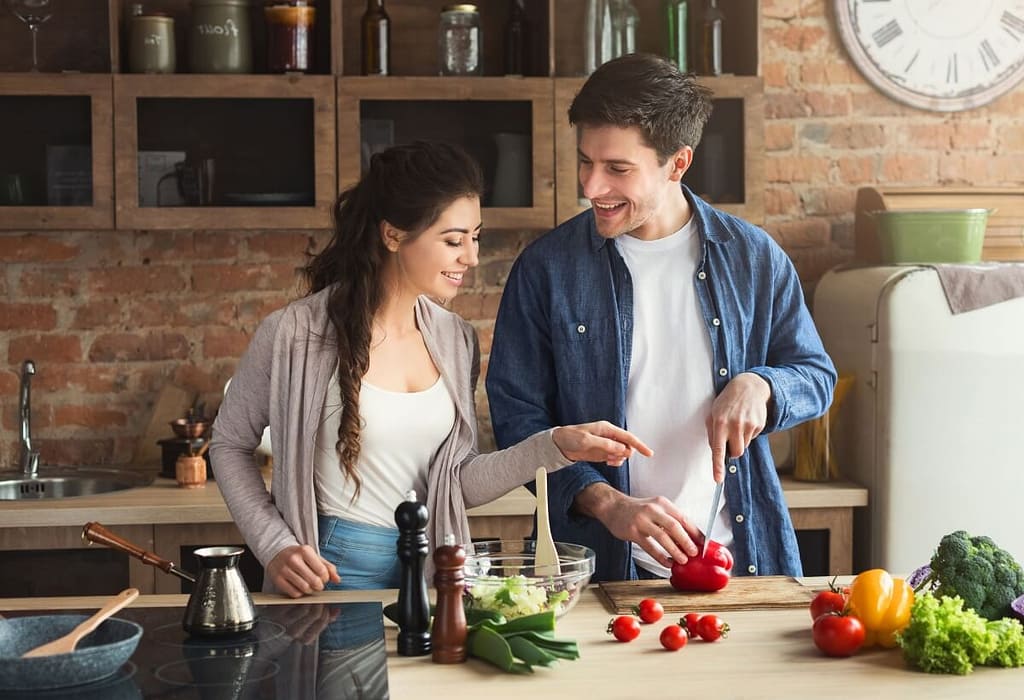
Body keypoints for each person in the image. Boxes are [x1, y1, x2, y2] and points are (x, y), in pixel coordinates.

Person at [211, 141, 651, 598]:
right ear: (393, 235)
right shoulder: (293, 334)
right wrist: (274, 545)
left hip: (433, 570)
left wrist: (555, 445)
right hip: (330, 571)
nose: (471, 257)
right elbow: (229, 444)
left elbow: (456, 483)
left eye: (475, 237)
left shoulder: (456, 339)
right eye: (453, 240)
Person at [485, 54, 837, 583]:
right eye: (585, 162)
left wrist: (761, 385)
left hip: (739, 563)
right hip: (598, 571)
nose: (591, 187)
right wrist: (606, 502)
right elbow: (518, 420)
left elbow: (815, 375)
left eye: (617, 169)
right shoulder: (546, 269)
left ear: (678, 163)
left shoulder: (753, 258)